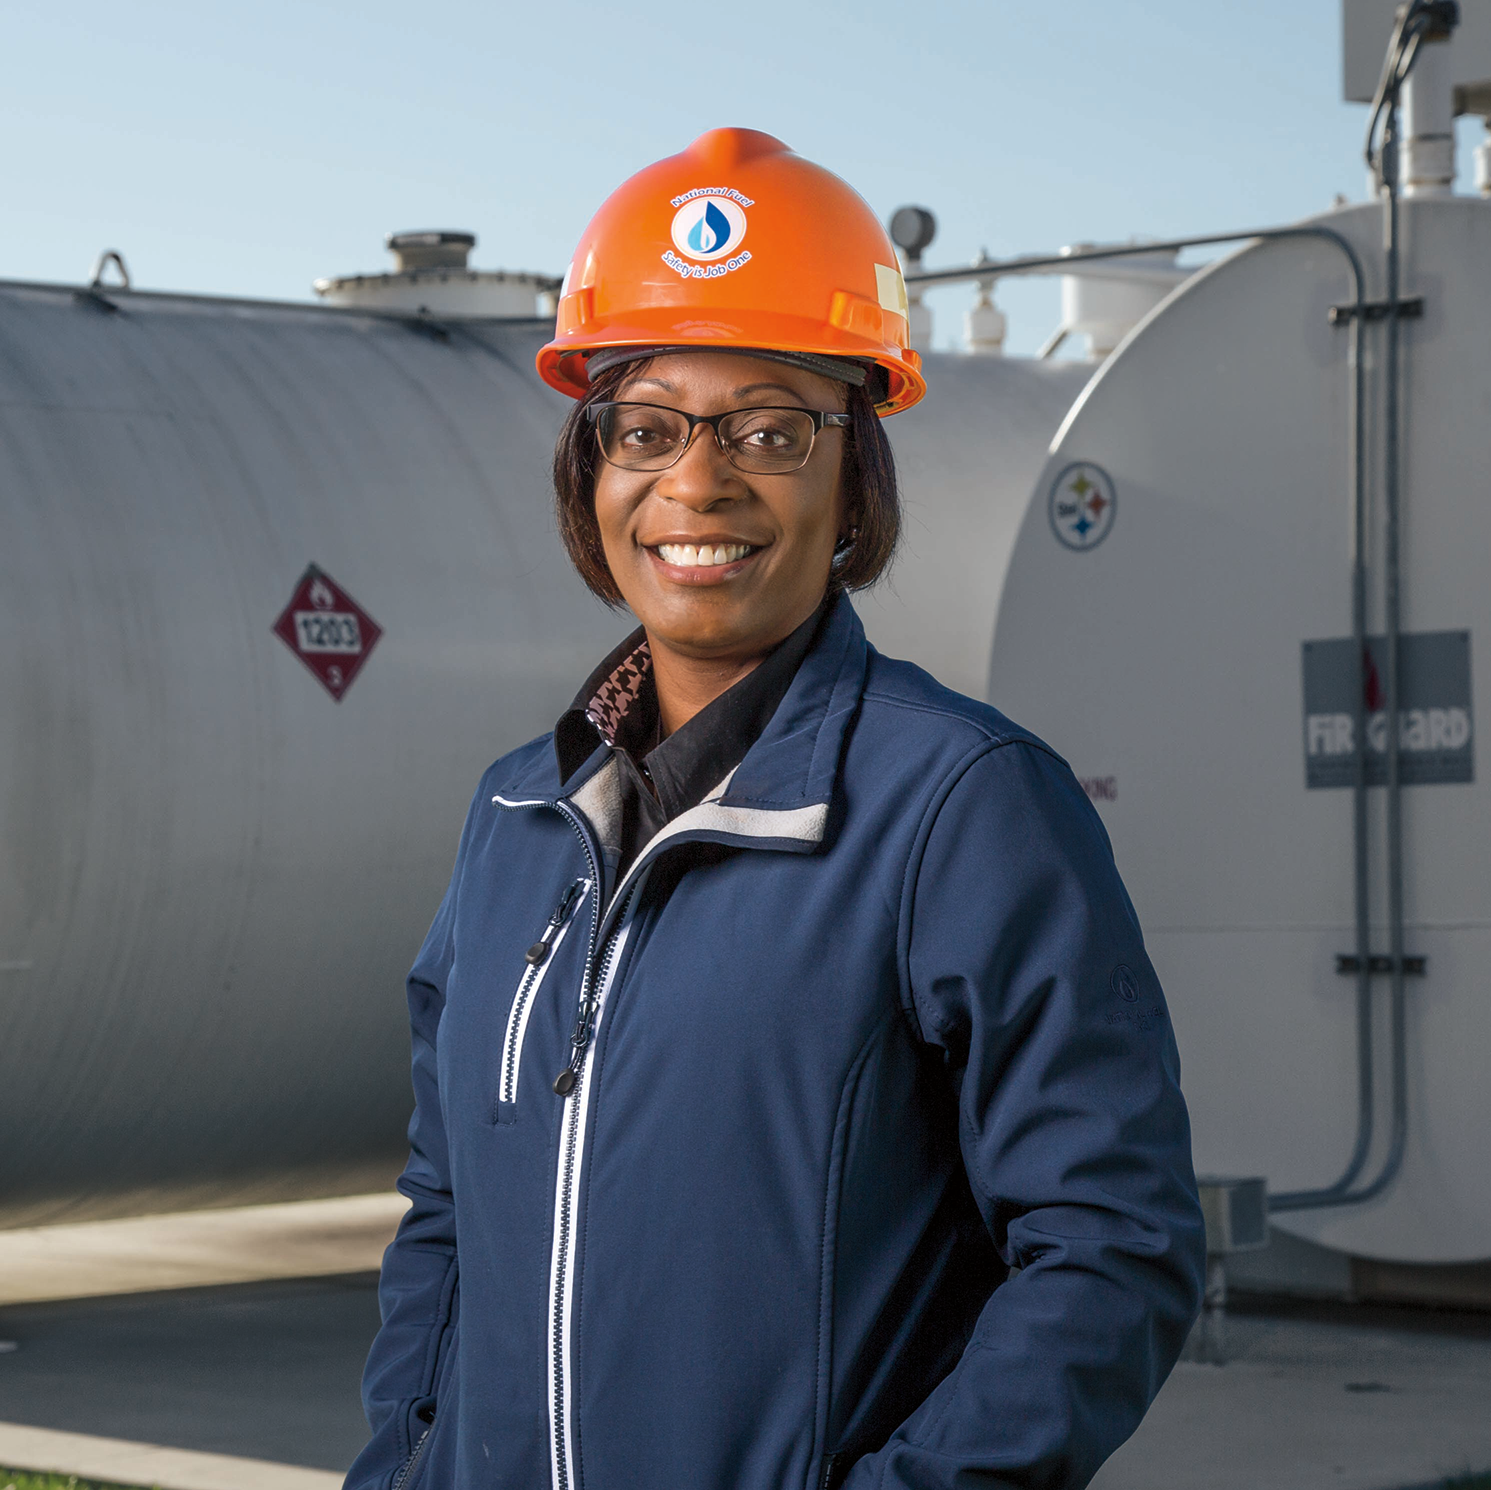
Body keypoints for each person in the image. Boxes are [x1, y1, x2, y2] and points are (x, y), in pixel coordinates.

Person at [347, 128, 1204, 1490]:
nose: (698, 483)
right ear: (590, 467)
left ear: (853, 474)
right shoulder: (515, 813)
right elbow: (447, 1221)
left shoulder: (958, 807)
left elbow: (1113, 1245)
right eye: (645, 426)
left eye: (768, 427)